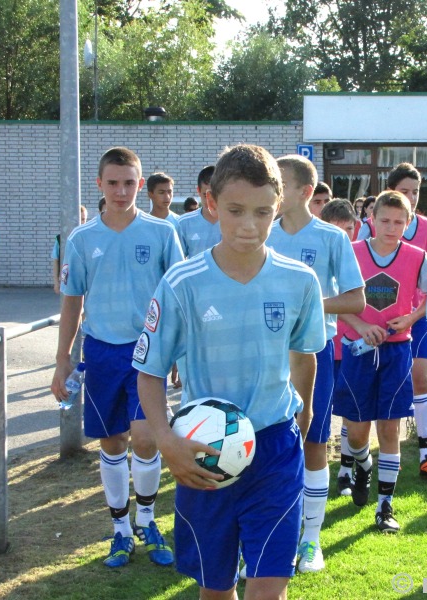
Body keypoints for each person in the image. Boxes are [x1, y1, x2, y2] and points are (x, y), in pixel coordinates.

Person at [133, 144, 326, 599]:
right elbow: (149, 370)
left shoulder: (300, 280)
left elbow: (304, 354)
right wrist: (166, 440)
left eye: (262, 212)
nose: (248, 224)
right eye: (236, 210)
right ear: (212, 204)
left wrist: (306, 411)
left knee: (270, 586)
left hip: (276, 447)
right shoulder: (183, 282)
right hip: (203, 452)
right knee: (215, 589)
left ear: (278, 209)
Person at [51, 147, 184, 569]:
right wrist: (62, 360)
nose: (122, 190)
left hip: (148, 353)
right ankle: (120, 529)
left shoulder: (162, 233)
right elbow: (72, 301)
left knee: (146, 438)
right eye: (113, 183)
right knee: (113, 442)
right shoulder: (82, 238)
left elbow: (177, 296)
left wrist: (178, 350)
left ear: (140, 184)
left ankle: (147, 519)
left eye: (129, 183)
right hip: (102, 352)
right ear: (99, 185)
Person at [267, 157, 365, 573]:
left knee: (312, 442)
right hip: (265, 353)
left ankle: (310, 541)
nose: (273, 193)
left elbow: (357, 300)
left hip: (314, 351)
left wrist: (308, 306)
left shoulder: (331, 238)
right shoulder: (262, 234)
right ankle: (270, 536)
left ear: (306, 192)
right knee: (266, 444)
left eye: (280, 185)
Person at [334, 190, 427, 533]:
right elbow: (336, 299)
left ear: (409, 222)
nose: (392, 227)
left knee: (389, 428)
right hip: (357, 350)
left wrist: (410, 319)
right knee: (358, 433)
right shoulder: (352, 253)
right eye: (385, 220)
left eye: (399, 222)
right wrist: (360, 326)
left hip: (396, 351)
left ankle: (385, 506)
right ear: (371, 220)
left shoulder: (418, 256)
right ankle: (361, 464)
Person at [357, 164, 427, 479]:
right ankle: (356, 456)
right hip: (370, 325)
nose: (410, 195)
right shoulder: (368, 232)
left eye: (415, 192)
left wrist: (412, 314)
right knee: (361, 397)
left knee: (420, 376)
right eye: (404, 190)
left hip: (411, 317)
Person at [320, 199, 361, 495]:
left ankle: (347, 468)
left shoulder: (360, 255)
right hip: (322, 346)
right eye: (338, 230)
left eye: (349, 229)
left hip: (352, 347)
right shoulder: (321, 254)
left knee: (350, 412)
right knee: (318, 416)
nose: (345, 236)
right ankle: (319, 470)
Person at [176, 165, 220, 258]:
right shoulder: (183, 223)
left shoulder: (234, 222)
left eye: (214, 194)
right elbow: (176, 260)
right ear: (198, 191)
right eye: (206, 195)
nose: (210, 200)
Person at [51, 205, 88, 294]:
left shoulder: (89, 238)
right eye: (79, 219)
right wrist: (57, 282)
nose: (81, 222)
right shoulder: (62, 239)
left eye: (83, 219)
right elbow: (56, 261)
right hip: (68, 280)